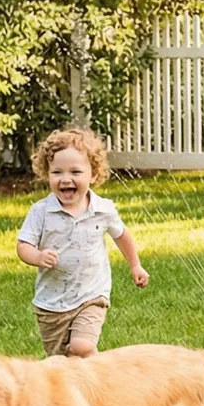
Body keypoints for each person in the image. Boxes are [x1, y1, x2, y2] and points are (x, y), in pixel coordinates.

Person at [17, 127, 150, 358]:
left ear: (94, 175)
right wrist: (37, 257)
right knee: (60, 362)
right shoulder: (41, 212)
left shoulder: (102, 209)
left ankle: (99, 378)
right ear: (46, 173)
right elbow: (23, 246)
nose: (65, 179)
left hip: (92, 295)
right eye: (57, 172)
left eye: (75, 172)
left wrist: (135, 265)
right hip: (52, 303)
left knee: (81, 347)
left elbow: (121, 235)